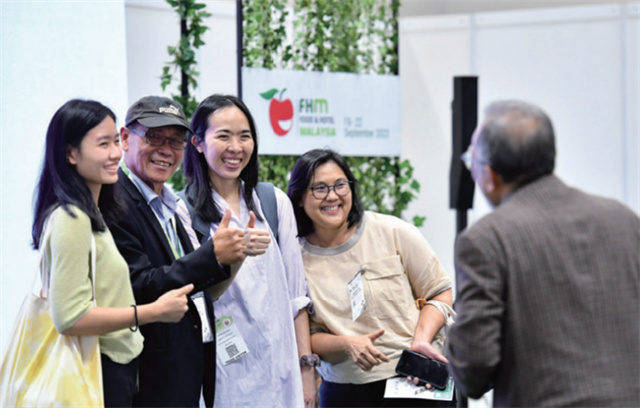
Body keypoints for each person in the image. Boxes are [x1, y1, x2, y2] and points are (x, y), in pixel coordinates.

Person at [446, 100, 640, 407]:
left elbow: (473, 369)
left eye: (472, 161)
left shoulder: (486, 239)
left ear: (490, 175)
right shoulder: (623, 219)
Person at [31, 99, 194, 407]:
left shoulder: (94, 212)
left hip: (114, 369)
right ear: (70, 154)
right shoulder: (72, 218)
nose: (115, 153)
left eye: (115, 142)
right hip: (96, 370)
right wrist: (154, 311)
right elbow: (70, 317)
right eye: (103, 144)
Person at [286, 148, 456, 408]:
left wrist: (421, 340)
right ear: (299, 198)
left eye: (340, 185)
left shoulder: (392, 231)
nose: (332, 196)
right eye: (319, 188)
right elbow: (304, 335)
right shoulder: (294, 259)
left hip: (414, 379)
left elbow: (439, 291)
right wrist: (346, 344)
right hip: (345, 390)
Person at [107, 96, 247, 408]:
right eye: (154, 137)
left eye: (175, 141)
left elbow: (188, 280)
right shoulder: (114, 201)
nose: (166, 150)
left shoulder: (172, 202)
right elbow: (138, 285)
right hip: (149, 379)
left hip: (187, 368)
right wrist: (212, 255)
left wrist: (233, 255)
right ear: (125, 138)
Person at [178, 94, 317, 407]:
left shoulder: (273, 202)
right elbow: (195, 298)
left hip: (280, 369)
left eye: (244, 136)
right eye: (223, 136)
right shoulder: (184, 211)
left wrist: (306, 368)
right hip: (221, 374)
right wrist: (233, 256)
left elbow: (296, 296)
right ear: (198, 143)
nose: (235, 147)